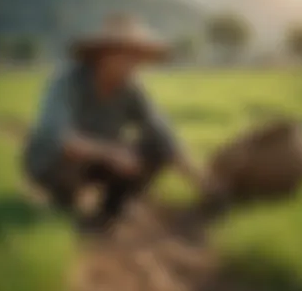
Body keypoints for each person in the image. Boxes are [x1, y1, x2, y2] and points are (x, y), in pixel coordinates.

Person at [23, 14, 214, 234]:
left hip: (100, 161)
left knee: (155, 147)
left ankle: (109, 212)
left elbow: (163, 136)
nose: (134, 64)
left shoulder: (132, 90)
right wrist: (111, 153)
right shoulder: (66, 82)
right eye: (127, 55)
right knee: (69, 157)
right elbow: (60, 138)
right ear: (103, 55)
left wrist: (201, 181)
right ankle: (62, 202)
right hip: (51, 161)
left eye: (137, 56)